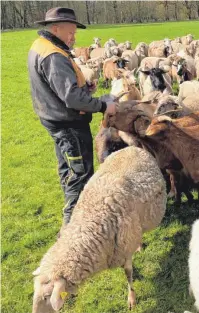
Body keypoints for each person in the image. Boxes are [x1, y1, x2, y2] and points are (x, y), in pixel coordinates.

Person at [27, 7, 117, 227]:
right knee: (80, 172)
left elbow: (61, 86)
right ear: (55, 29)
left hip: (54, 117)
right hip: (68, 124)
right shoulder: (53, 56)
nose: (74, 37)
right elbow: (71, 98)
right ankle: (73, 225)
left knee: (68, 167)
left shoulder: (42, 47)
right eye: (70, 32)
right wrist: (103, 105)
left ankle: (76, 215)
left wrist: (84, 86)